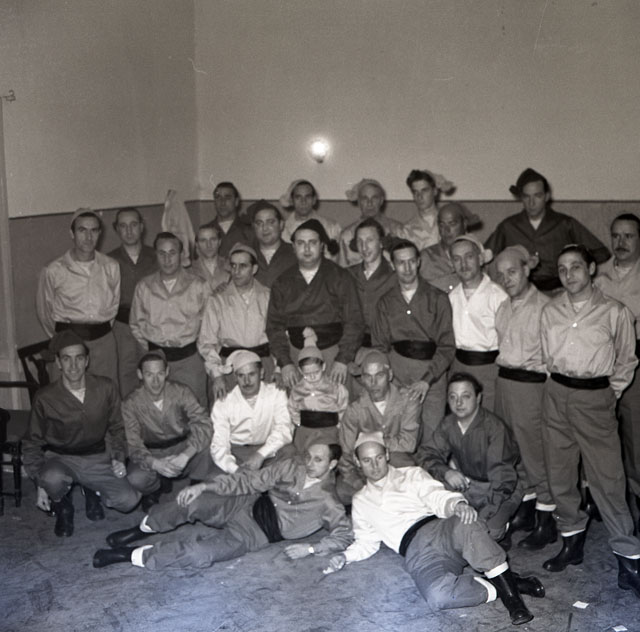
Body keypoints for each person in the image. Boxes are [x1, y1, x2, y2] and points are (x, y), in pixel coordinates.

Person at [324, 432, 543, 626]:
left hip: (440, 529)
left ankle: (514, 603)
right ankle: (510, 584)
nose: (375, 465)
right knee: (438, 596)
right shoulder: (360, 501)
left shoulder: (411, 474)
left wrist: (456, 504)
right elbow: (366, 541)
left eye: (379, 457)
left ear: (387, 454)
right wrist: (345, 556)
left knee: (466, 522)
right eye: (367, 460)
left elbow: (436, 495)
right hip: (416, 552)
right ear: (357, 462)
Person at [540, 244, 640, 599]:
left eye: (576, 267)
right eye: (562, 268)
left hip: (596, 396)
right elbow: (545, 356)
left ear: (592, 269)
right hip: (556, 394)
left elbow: (627, 359)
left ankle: (629, 559)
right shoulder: (550, 311)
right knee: (560, 474)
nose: (569, 274)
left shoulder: (615, 312)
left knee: (608, 480)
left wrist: (609, 393)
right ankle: (572, 541)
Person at [93, 441, 352, 570]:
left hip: (254, 534)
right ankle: (143, 528)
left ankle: (130, 555)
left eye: (318, 460)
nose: (309, 463)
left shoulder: (329, 501)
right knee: (191, 499)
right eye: (308, 456)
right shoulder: (291, 466)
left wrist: (311, 548)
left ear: (332, 465)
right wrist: (205, 487)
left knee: (199, 554)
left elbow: (344, 535)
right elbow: (249, 481)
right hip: (244, 503)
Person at [23, 330, 139, 537]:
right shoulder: (45, 397)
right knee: (52, 479)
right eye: (66, 359)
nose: (73, 365)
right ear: (58, 362)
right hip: (61, 459)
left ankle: (92, 489)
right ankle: (62, 505)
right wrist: (39, 483)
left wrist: (119, 457)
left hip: (98, 456)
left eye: (79, 358)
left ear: (87, 361)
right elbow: (32, 443)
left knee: (127, 500)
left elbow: (118, 428)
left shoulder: (106, 387)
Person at [494, 245, 556, 549]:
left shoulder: (546, 308)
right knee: (513, 453)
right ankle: (527, 511)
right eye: (501, 274)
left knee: (535, 456)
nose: (507, 279)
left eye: (512, 272)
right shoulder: (503, 308)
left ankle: (548, 521)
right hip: (504, 384)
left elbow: (552, 359)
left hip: (530, 388)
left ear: (527, 269)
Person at [371, 239, 455, 447]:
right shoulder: (385, 302)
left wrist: (427, 380)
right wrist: (391, 382)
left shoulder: (438, 298)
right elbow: (380, 347)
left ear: (418, 262)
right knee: (399, 437)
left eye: (411, 261)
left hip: (432, 375)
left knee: (432, 438)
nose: (407, 268)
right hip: (398, 376)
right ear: (393, 265)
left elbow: (447, 346)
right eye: (401, 263)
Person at [419, 373, 521, 541]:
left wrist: (484, 515)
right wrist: (446, 472)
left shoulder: (495, 428)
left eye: (465, 396)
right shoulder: (448, 424)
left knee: (486, 533)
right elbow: (426, 454)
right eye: (453, 397)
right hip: (466, 484)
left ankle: (504, 525)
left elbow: (502, 479)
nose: (458, 403)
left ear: (478, 398)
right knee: (435, 513)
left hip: (500, 489)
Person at [266, 219, 364, 390]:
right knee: (299, 403)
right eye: (300, 243)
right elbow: (274, 327)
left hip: (333, 354)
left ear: (322, 246)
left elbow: (354, 321)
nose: (306, 248)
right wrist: (285, 363)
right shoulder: (282, 282)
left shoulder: (340, 277)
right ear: (293, 247)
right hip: (296, 355)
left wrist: (343, 359)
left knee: (337, 402)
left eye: (312, 243)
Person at [485, 168, 610, 292]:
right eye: (527, 197)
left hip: (559, 290)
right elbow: (485, 256)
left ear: (547, 196)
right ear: (521, 198)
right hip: (520, 292)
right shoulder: (508, 226)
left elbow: (601, 253)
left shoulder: (564, 224)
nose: (532, 203)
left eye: (537, 196)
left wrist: (574, 264)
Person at [36, 208, 120, 387]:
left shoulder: (111, 266)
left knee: (106, 392)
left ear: (100, 233)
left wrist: (98, 332)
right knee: (67, 396)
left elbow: (113, 306)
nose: (88, 237)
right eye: (82, 230)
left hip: (103, 343)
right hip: (68, 344)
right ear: (72, 233)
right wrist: (64, 338)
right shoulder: (54, 270)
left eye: (94, 230)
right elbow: (45, 313)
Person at [123, 350, 213, 510]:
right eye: (149, 375)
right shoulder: (130, 403)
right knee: (136, 478)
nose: (156, 381)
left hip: (183, 446)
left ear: (167, 372)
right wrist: (155, 464)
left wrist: (186, 455)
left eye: (160, 374)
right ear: (140, 374)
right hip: (152, 452)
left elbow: (203, 424)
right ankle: (154, 489)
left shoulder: (181, 391)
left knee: (209, 447)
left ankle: (196, 484)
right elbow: (133, 444)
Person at [130, 232, 211, 409]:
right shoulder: (144, 286)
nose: (167, 259)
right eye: (162, 253)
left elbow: (209, 325)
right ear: (155, 254)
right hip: (155, 363)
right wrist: (154, 350)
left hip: (189, 360)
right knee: (158, 411)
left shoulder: (198, 285)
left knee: (194, 410)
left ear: (182, 254)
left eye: (172, 253)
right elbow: (136, 324)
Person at [595, 213, 640, 518]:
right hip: (602, 363)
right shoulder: (598, 274)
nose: (621, 242)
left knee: (635, 437)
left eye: (629, 236)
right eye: (616, 235)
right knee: (602, 435)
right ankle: (607, 499)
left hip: (636, 362)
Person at [338, 350, 419, 502]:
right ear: (362, 378)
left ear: (390, 375)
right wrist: (359, 483)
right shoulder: (354, 409)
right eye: (368, 376)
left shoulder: (407, 400)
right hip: (366, 470)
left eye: (379, 375)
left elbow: (409, 443)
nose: (373, 383)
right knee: (342, 492)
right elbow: (347, 453)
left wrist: (373, 443)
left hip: (397, 464)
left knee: (407, 482)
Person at [198, 243, 273, 401]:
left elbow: (278, 336)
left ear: (254, 269)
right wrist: (217, 375)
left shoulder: (268, 297)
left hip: (262, 365)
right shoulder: (218, 300)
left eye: (243, 266)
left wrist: (279, 368)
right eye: (233, 266)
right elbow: (206, 342)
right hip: (230, 369)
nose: (236, 272)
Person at [448, 235, 508, 411]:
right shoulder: (451, 297)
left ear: (480, 259)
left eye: (469, 257)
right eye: (457, 259)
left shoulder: (498, 296)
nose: (463, 264)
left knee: (487, 418)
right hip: (458, 367)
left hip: (488, 369)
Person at [210, 350, 293, 474]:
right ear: (235, 377)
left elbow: (284, 429)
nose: (247, 381)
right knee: (220, 477)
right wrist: (235, 469)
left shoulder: (276, 393)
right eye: (241, 376)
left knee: (290, 455)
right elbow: (219, 443)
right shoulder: (223, 403)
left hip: (268, 450)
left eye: (252, 374)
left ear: (261, 373)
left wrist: (261, 454)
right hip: (236, 453)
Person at [108, 207, 157, 398]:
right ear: (117, 229)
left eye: (133, 225)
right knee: (125, 374)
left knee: (153, 371)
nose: (129, 231)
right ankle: (129, 415)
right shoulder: (108, 260)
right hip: (122, 327)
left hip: (152, 323)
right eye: (123, 226)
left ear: (142, 227)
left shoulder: (157, 256)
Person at [288, 328, 349, 451]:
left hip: (329, 431)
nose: (312, 377)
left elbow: (343, 407)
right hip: (305, 432)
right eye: (307, 373)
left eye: (316, 372)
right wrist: (298, 423)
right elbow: (292, 408)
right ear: (300, 371)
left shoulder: (335, 387)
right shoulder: (297, 390)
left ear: (323, 366)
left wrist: (338, 425)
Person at [347, 218, 397, 352]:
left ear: (381, 243)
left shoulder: (395, 277)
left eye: (369, 240)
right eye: (360, 241)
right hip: (353, 347)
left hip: (386, 348)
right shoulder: (348, 275)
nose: (364, 247)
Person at [339, 179, 405, 266]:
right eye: (364, 198)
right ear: (359, 202)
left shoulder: (398, 230)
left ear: (381, 200)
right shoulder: (347, 235)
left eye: (374, 198)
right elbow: (342, 268)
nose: (369, 203)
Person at [420, 202, 476, 293]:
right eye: (442, 225)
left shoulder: (476, 255)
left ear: (464, 224)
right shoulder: (425, 259)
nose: (447, 230)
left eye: (452, 224)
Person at [279, 179, 342, 258]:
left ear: (314, 200)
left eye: (307, 197)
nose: (303, 201)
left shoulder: (331, 227)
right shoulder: (282, 230)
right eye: (298, 197)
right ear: (291, 200)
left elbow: (337, 258)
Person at [403, 169, 456, 252]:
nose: (419, 196)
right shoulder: (407, 229)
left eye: (424, 190)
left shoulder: (451, 222)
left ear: (435, 191)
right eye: (415, 192)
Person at [248, 199, 297, 288]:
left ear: (281, 225)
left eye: (270, 222)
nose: (265, 228)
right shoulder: (246, 255)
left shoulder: (296, 254)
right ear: (253, 227)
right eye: (259, 223)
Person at [210, 181, 254, 258]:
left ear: (236, 202)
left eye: (227, 198)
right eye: (218, 197)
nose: (222, 202)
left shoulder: (250, 231)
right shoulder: (206, 231)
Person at [190, 222, 230, 292]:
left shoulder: (231, 266)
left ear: (219, 242)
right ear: (197, 244)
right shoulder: (189, 270)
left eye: (213, 240)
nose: (209, 245)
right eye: (203, 240)